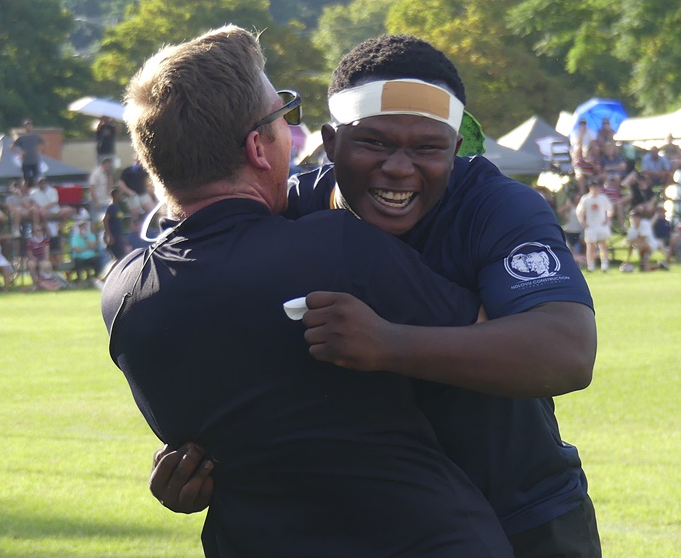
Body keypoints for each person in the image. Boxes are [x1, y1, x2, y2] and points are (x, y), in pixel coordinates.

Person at [149, 34, 601, 558]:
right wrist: (192, 461)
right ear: (331, 142)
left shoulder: (495, 207)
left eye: (427, 148)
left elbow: (567, 352)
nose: (400, 168)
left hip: (525, 512)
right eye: (375, 143)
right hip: (375, 530)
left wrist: (389, 345)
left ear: (455, 150)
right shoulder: (291, 211)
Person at [576, 182, 613, 273]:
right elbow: (580, 210)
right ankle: (591, 266)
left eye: (596, 187)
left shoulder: (602, 198)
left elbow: (610, 209)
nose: (595, 189)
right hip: (591, 225)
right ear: (590, 188)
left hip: (601, 225)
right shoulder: (586, 198)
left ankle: (604, 265)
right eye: (593, 187)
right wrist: (582, 221)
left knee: (603, 245)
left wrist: (608, 219)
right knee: (590, 246)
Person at [11, 119, 46, 188]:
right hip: (26, 161)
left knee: (37, 179)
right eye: (27, 126)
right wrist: (20, 153)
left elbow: (44, 144)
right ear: (24, 127)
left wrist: (41, 151)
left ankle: (36, 193)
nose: (28, 127)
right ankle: (24, 193)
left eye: (30, 126)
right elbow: (12, 147)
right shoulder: (21, 138)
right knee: (26, 179)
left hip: (34, 160)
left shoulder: (36, 136)